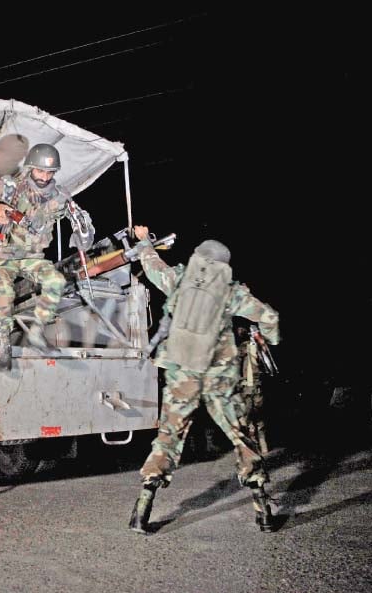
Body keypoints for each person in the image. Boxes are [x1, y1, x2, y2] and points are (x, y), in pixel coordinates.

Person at [127, 226, 280, 534]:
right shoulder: (231, 291)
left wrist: (143, 240)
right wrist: (270, 338)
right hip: (219, 378)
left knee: (168, 437)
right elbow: (269, 316)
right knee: (241, 436)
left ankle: (142, 510)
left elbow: (152, 265)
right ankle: (263, 511)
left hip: (183, 373)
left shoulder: (181, 280)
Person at [0, 143, 94, 372]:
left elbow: (80, 219)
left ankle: (37, 333)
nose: (44, 177)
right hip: (4, 254)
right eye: (40, 171)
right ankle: (5, 344)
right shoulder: (10, 185)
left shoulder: (60, 196)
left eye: (49, 172)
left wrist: (83, 229)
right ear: (30, 168)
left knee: (56, 281)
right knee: (5, 293)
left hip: (32, 256)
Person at [234, 323, 269, 455]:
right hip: (251, 387)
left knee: (255, 418)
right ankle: (258, 445)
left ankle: (260, 445)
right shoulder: (246, 348)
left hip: (253, 386)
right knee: (253, 419)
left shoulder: (253, 347)